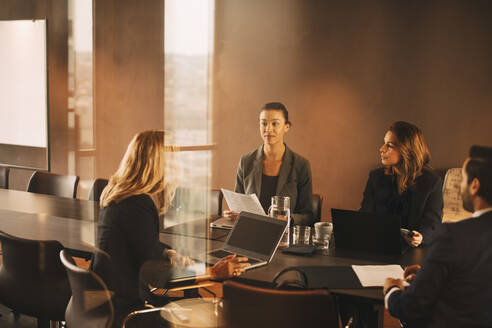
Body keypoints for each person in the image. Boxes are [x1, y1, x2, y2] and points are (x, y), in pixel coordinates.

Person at [91, 130, 250, 328]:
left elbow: (143, 245)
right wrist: (213, 272)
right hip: (126, 310)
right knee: (213, 316)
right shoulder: (138, 204)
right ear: (158, 164)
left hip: (102, 301)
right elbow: (158, 276)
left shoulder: (117, 195)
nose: (177, 167)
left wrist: (169, 253)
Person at [384, 145, 492, 328]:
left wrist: (391, 289)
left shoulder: (452, 235)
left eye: (463, 180)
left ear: (475, 185)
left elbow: (408, 307)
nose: (460, 187)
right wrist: (431, 275)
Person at [227, 102, 314, 225]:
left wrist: (289, 219)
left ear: (286, 127)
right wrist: (234, 213)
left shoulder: (301, 165)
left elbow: (308, 216)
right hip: (250, 232)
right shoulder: (246, 161)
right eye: (264, 123)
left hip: (283, 236)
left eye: (275, 123)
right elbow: (238, 204)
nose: (268, 129)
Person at [360, 121, 443, 246]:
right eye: (384, 143)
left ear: (407, 150)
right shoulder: (375, 177)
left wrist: (420, 237)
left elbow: (432, 225)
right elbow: (365, 214)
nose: (381, 149)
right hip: (378, 246)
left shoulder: (432, 182)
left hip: (413, 250)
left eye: (390, 145)